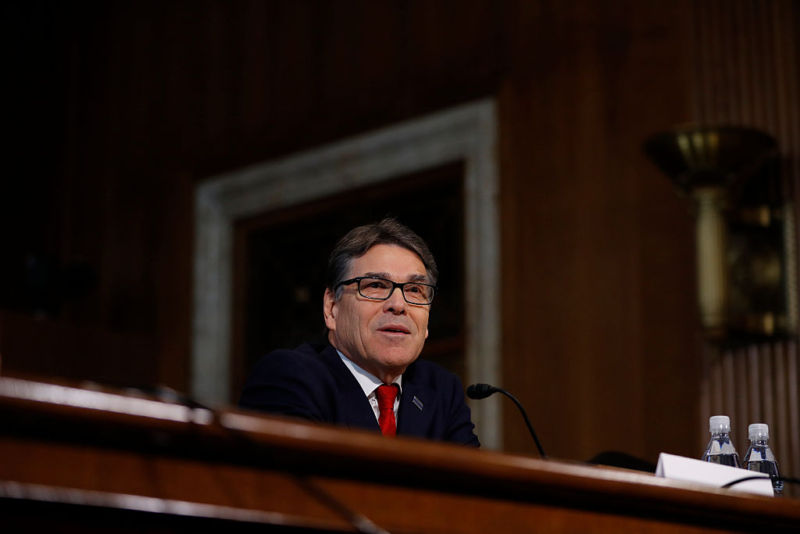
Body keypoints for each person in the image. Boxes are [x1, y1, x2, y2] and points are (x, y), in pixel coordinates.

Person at [239, 218, 479, 446]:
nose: (399, 304)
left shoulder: (441, 391)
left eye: (415, 290)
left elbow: (474, 487)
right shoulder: (290, 377)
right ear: (332, 308)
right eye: (375, 286)